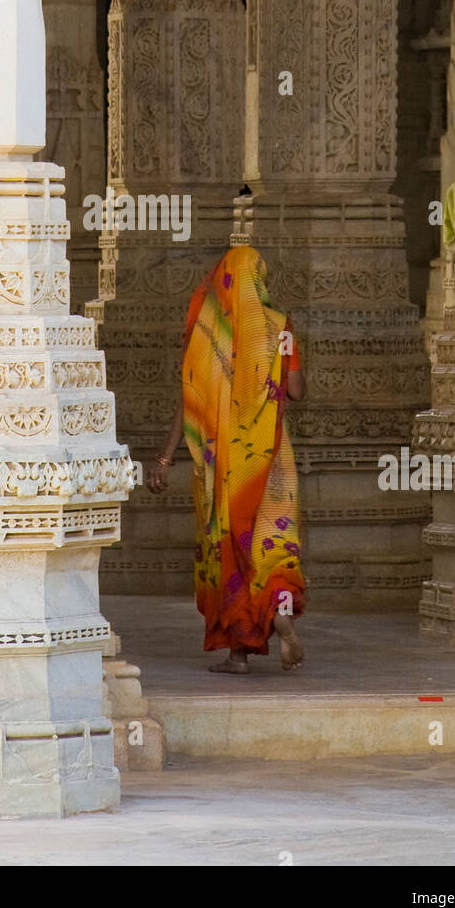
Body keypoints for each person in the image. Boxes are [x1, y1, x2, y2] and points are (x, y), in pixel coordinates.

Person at [148, 245, 306, 674]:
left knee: (231, 548)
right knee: (269, 543)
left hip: (224, 464)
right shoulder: (281, 329)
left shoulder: (209, 331)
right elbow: (295, 392)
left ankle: (238, 655)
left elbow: (190, 401)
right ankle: (279, 613)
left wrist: (165, 458)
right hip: (270, 460)